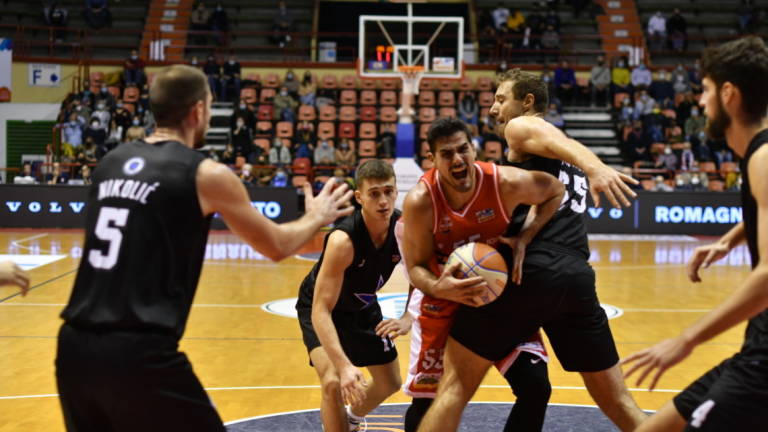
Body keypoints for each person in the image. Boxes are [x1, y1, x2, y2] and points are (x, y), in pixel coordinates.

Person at [55, 64, 354, 432]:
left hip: (73, 347)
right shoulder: (205, 173)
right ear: (198, 110)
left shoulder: (109, 163)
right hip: (139, 351)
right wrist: (316, 216)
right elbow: (277, 246)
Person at [414, 69, 645, 432]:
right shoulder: (564, 150)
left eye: (501, 99)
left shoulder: (521, 127)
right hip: (577, 280)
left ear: (527, 102)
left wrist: (597, 167)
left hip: (531, 273)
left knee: (455, 387)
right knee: (619, 403)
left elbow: (536, 131)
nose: (493, 109)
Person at [622, 36, 768, 431]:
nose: (700, 102)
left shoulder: (763, 158)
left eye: (704, 91)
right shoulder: (760, 154)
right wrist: (730, 239)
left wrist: (686, 339)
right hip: (755, 350)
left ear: (729, 93)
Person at [401, 117, 564, 432]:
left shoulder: (503, 182)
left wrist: (525, 237)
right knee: (429, 400)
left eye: (463, 149)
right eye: (447, 154)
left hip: (498, 300)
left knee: (535, 387)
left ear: (473, 147)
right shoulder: (421, 202)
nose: (458, 159)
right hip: (442, 303)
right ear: (432, 159)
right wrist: (439, 286)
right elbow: (416, 268)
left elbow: (555, 191)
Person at [296, 159, 409, 432]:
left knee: (390, 382)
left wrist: (408, 316)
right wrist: (344, 366)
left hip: (363, 305)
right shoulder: (342, 241)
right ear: (359, 197)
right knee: (333, 381)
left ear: (396, 191)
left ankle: (352, 419)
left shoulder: (404, 227)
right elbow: (321, 309)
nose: (383, 201)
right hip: (324, 309)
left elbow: (418, 273)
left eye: (388, 191)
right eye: (374, 193)